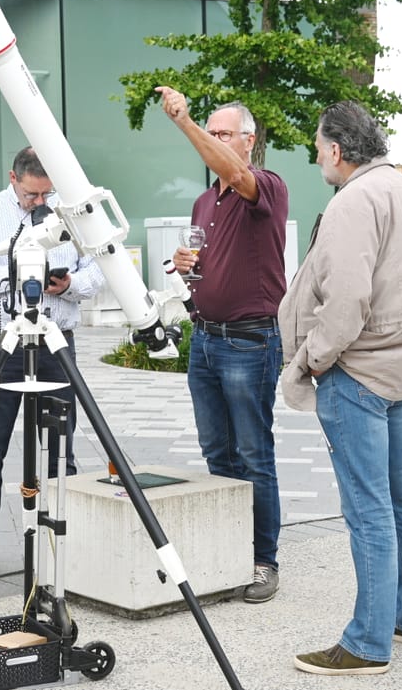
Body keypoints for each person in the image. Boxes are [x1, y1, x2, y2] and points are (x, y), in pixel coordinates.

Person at [279, 101, 402, 676]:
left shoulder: (355, 199)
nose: (314, 155)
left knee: (369, 510)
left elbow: (346, 298)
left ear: (334, 148)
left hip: (358, 372)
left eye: (316, 144)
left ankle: (367, 643)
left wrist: (315, 359)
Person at [156, 86, 288, 604]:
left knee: (254, 454)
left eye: (223, 133)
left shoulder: (267, 186)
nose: (214, 141)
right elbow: (204, 260)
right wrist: (189, 266)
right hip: (205, 341)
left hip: (249, 343)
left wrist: (184, 123)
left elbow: (234, 173)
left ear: (249, 141)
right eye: (210, 133)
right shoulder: (204, 200)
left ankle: (263, 559)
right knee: (217, 452)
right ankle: (230, 550)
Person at [0, 147, 105, 582]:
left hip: (55, 342)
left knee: (61, 449)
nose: (40, 203)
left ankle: (62, 542)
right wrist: (12, 279)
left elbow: (98, 269)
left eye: (46, 194)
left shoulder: (71, 213)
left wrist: (68, 284)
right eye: (32, 194)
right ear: (13, 178)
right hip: (2, 341)